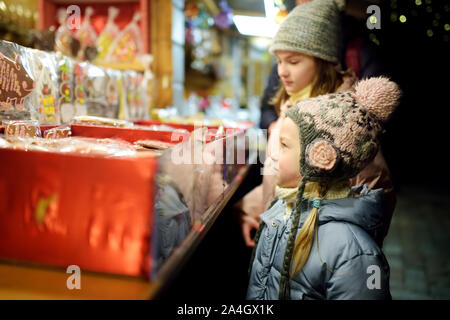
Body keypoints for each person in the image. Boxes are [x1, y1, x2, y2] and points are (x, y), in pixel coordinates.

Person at [238, 0, 395, 249]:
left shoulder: (342, 120)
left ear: (322, 61)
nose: (281, 71)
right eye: (278, 61)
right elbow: (280, 182)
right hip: (281, 247)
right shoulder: (290, 105)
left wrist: (328, 245)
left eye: (293, 61)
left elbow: (375, 192)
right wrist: (255, 211)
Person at [247, 76, 401, 300]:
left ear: (319, 158)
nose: (271, 155)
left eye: (283, 145)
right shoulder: (283, 209)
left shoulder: (356, 254)